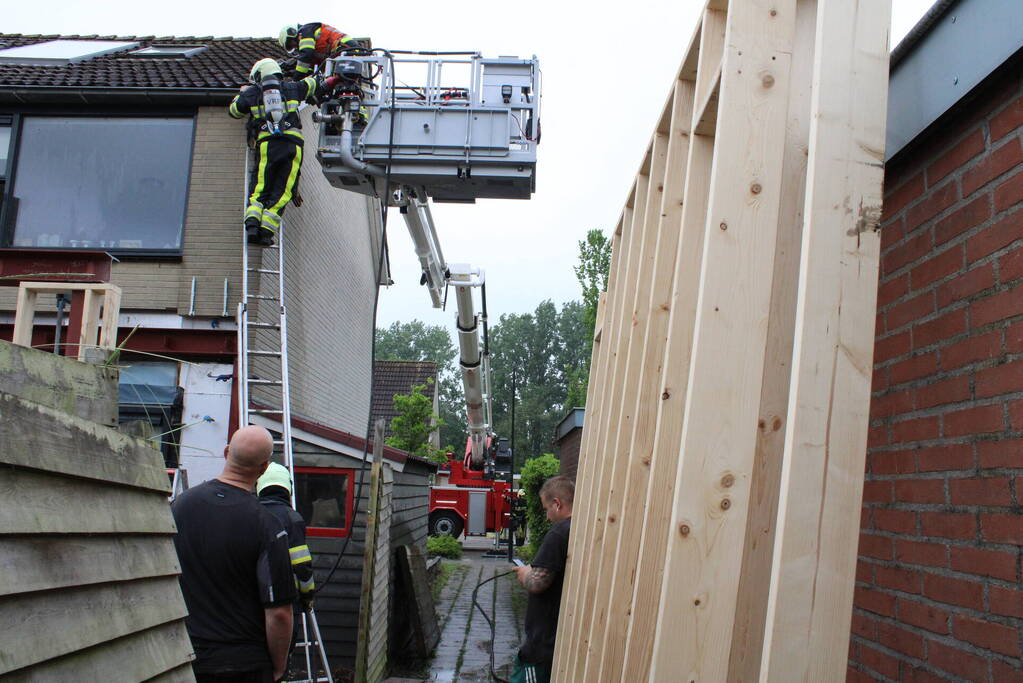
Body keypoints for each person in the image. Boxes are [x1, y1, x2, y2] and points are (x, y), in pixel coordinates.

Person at [172, 426, 297, 682]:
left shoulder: (180, 507)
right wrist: (278, 666)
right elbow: (279, 613)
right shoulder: (267, 525)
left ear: (226, 452)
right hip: (244, 665)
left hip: (185, 656)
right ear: (264, 468)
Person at [228, 58, 339, 246]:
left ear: (258, 75)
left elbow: (234, 111)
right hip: (293, 146)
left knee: (261, 185)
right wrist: (336, 76)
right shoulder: (293, 88)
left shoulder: (252, 92)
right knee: (284, 189)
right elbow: (316, 84)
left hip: (267, 144)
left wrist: (242, 94)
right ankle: (266, 231)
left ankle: (253, 225)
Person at [512, 476, 574, 683]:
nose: (547, 517)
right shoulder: (580, 528)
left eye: (547, 508)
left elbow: (537, 583)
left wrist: (525, 573)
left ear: (557, 504)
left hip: (542, 647)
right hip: (560, 640)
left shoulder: (558, 533)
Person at [256, 462, 316, 610]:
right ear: (288, 488)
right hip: (284, 601)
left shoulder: (248, 512)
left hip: (250, 600)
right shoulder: (292, 519)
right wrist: (307, 595)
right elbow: (301, 563)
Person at [278, 23, 366, 76]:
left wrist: (296, 77)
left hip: (344, 47)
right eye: (291, 47)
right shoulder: (314, 46)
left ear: (292, 33)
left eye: (291, 43)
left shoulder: (305, 31)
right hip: (345, 50)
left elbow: (306, 55)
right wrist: (290, 71)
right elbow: (310, 69)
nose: (294, 46)